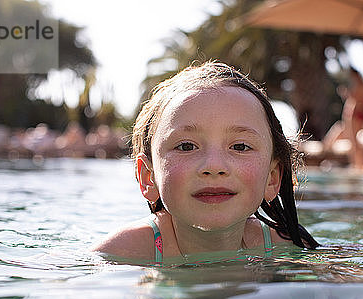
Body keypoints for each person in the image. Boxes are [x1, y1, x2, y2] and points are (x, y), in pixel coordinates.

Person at [93, 61, 319, 263]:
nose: (214, 166)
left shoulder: (286, 246)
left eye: (240, 147)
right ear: (148, 178)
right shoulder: (123, 253)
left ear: (272, 178)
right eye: (186, 146)